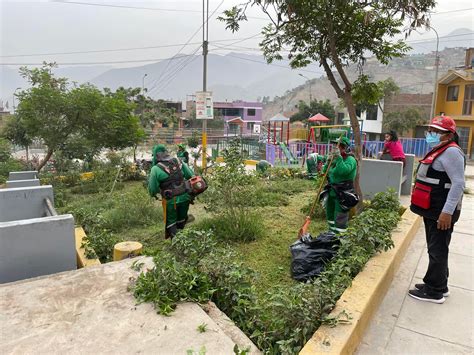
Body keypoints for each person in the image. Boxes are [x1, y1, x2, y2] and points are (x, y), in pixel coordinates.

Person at [409, 116, 465, 304]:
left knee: (437, 250)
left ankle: (434, 291)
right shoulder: (441, 149)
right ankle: (439, 283)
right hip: (432, 208)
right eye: (431, 130)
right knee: (437, 248)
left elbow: (458, 184)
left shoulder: (451, 153)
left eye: (436, 131)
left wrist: (447, 212)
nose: (431, 134)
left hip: (441, 212)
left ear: (449, 135)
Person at [148, 144, 195, 239]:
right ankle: (183, 240)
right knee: (181, 219)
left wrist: (154, 194)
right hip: (185, 196)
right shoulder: (179, 161)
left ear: (156, 156)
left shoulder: (155, 169)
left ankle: (177, 243)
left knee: (171, 222)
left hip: (171, 200)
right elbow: (191, 175)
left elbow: (152, 189)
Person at [321, 137, 358, 234]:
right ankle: (331, 234)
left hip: (343, 193)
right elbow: (324, 173)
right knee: (330, 213)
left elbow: (343, 172)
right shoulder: (334, 160)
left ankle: (340, 237)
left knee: (340, 216)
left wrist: (339, 159)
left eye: (339, 147)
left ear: (345, 148)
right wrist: (328, 162)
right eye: (334, 146)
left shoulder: (350, 160)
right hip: (332, 190)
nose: (336, 149)